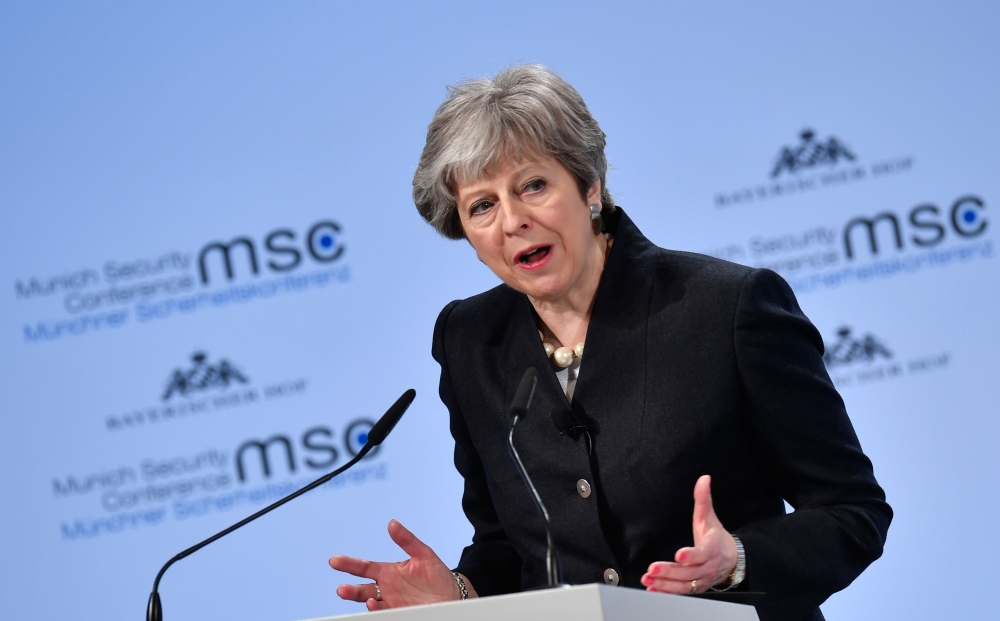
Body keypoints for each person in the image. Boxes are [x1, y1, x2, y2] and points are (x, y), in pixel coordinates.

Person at [329, 65, 891, 621]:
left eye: (533, 186)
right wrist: (459, 593)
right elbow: (511, 544)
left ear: (590, 187)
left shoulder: (727, 308)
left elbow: (852, 512)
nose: (512, 221)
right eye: (483, 205)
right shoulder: (469, 341)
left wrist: (738, 561)